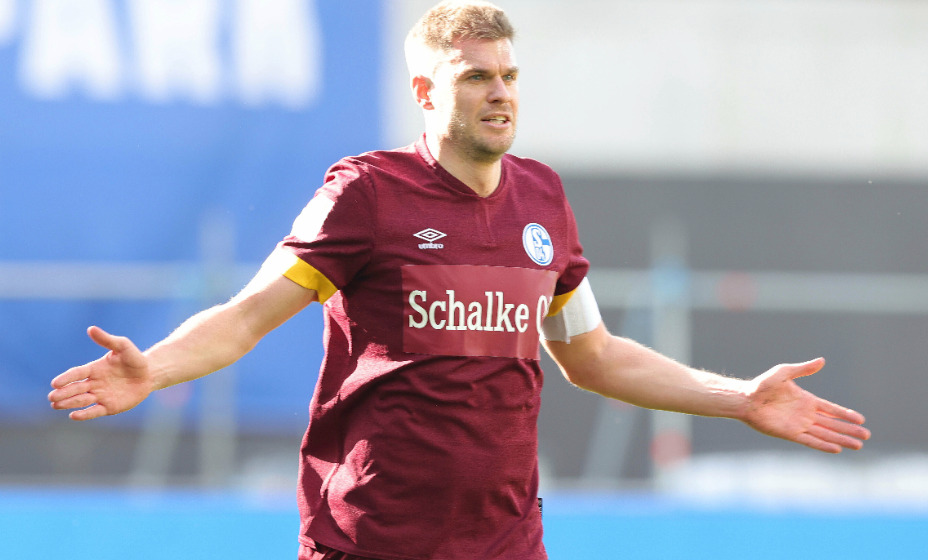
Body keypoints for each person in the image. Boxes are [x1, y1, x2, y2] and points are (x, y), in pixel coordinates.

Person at [48, 2, 871, 559]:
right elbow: (247, 317)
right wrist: (155, 368)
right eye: (476, 76)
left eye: (508, 75)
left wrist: (739, 397)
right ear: (425, 90)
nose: (500, 92)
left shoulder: (543, 197)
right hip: (371, 539)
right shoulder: (365, 193)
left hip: (505, 542)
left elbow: (591, 355)